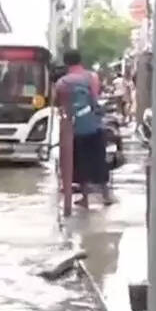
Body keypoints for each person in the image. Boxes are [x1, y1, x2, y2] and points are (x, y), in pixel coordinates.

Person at [57, 50, 113, 206]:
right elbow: (95, 98)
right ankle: (106, 196)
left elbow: (61, 105)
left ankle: (85, 198)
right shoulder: (92, 77)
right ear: (81, 60)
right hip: (94, 125)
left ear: (66, 62)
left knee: (79, 162)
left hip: (74, 128)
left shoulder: (62, 82)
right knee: (99, 160)